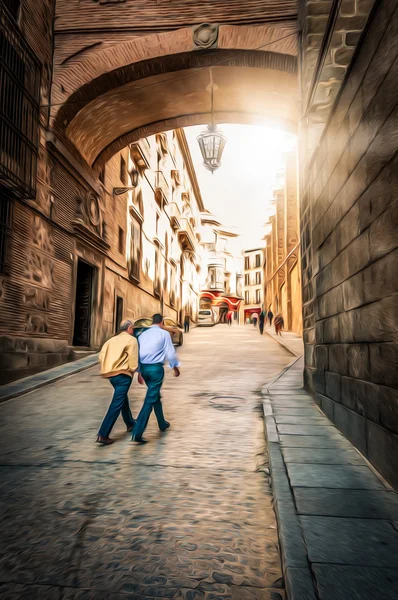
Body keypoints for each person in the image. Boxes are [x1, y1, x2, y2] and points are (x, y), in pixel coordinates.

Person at [132, 314, 180, 443]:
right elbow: (170, 352)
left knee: (154, 395)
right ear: (162, 323)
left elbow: (138, 353)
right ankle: (137, 432)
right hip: (155, 370)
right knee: (150, 399)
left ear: (152, 322)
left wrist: (139, 372)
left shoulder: (142, 334)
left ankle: (162, 423)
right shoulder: (164, 334)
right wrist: (175, 368)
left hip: (145, 369)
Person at [96, 319, 138, 445]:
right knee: (117, 403)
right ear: (130, 327)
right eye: (133, 328)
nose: (134, 330)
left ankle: (130, 423)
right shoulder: (132, 340)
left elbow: (100, 356)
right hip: (123, 375)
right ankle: (103, 434)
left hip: (110, 375)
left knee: (122, 398)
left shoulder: (111, 340)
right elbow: (133, 360)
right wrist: (133, 370)